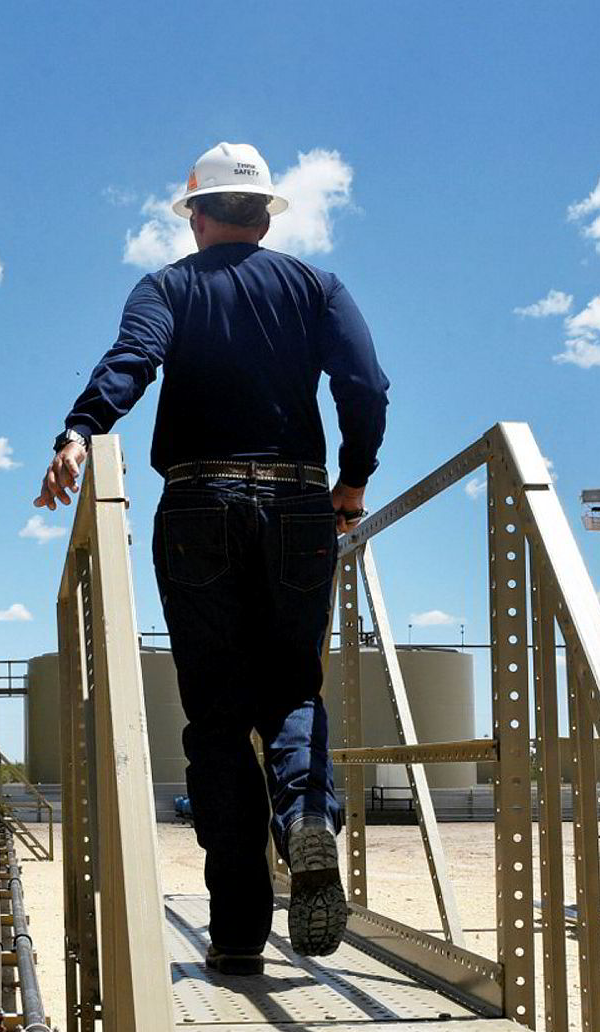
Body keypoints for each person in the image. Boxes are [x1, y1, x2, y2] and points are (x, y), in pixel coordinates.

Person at [34, 141, 390, 972]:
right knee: (292, 688)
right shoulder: (317, 286)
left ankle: (236, 932)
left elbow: (133, 360)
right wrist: (353, 478)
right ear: (263, 215)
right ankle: (306, 815)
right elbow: (365, 385)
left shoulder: (166, 287)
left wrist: (81, 430)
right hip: (300, 503)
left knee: (219, 716)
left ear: (197, 215)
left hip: (198, 504)